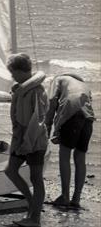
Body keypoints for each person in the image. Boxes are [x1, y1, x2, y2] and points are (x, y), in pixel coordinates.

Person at [4, 53, 49, 227]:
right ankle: (32, 204)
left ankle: (35, 219)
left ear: (21, 71)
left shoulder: (36, 91)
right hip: (20, 138)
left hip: (34, 140)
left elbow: (37, 121)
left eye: (13, 72)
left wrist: (27, 143)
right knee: (10, 170)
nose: (12, 76)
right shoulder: (22, 88)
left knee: (36, 178)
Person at [45, 72, 94, 209]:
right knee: (80, 157)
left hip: (72, 115)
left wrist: (48, 126)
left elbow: (52, 101)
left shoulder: (58, 79)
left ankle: (64, 196)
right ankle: (76, 198)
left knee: (64, 156)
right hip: (88, 118)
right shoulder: (84, 85)